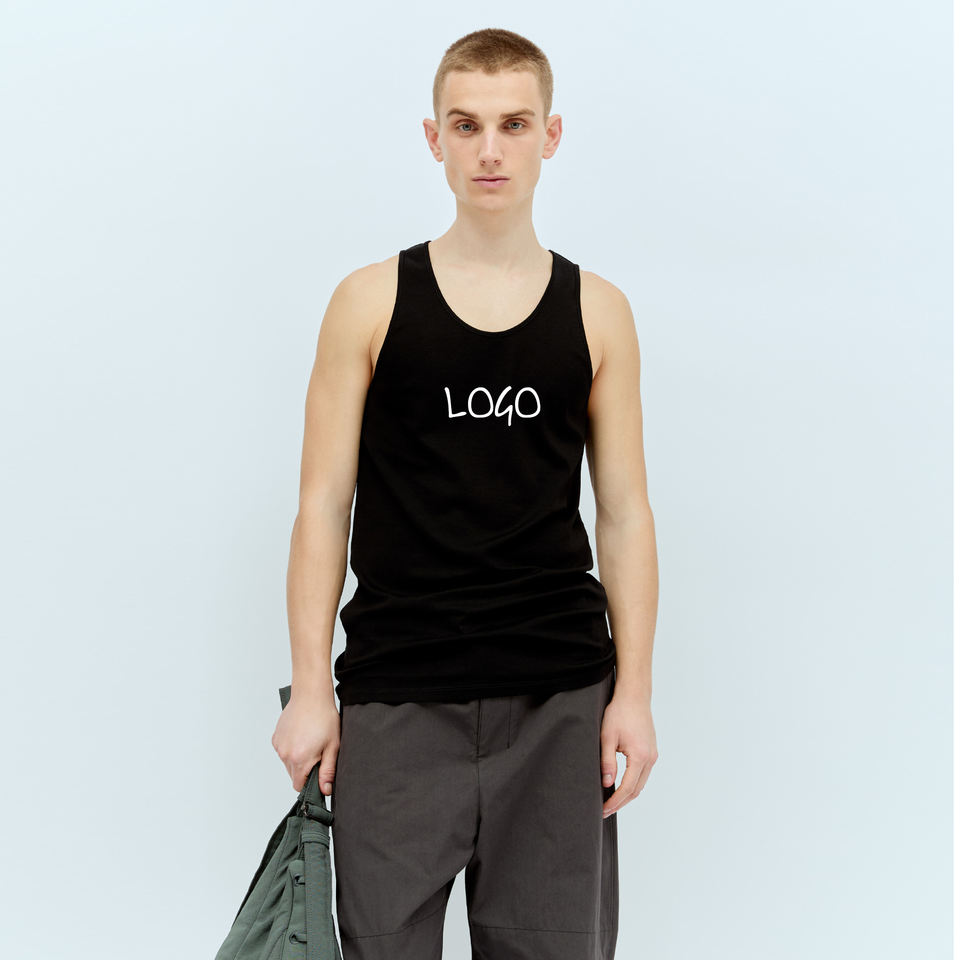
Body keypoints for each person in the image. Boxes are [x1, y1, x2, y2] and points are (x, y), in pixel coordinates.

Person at [271, 26, 659, 960]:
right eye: (467, 124)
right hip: (398, 695)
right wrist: (311, 690)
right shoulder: (369, 302)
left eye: (514, 124)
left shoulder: (598, 312)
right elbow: (322, 505)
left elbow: (623, 513)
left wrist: (636, 695)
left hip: (558, 696)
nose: (491, 149)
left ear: (550, 136)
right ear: (434, 137)